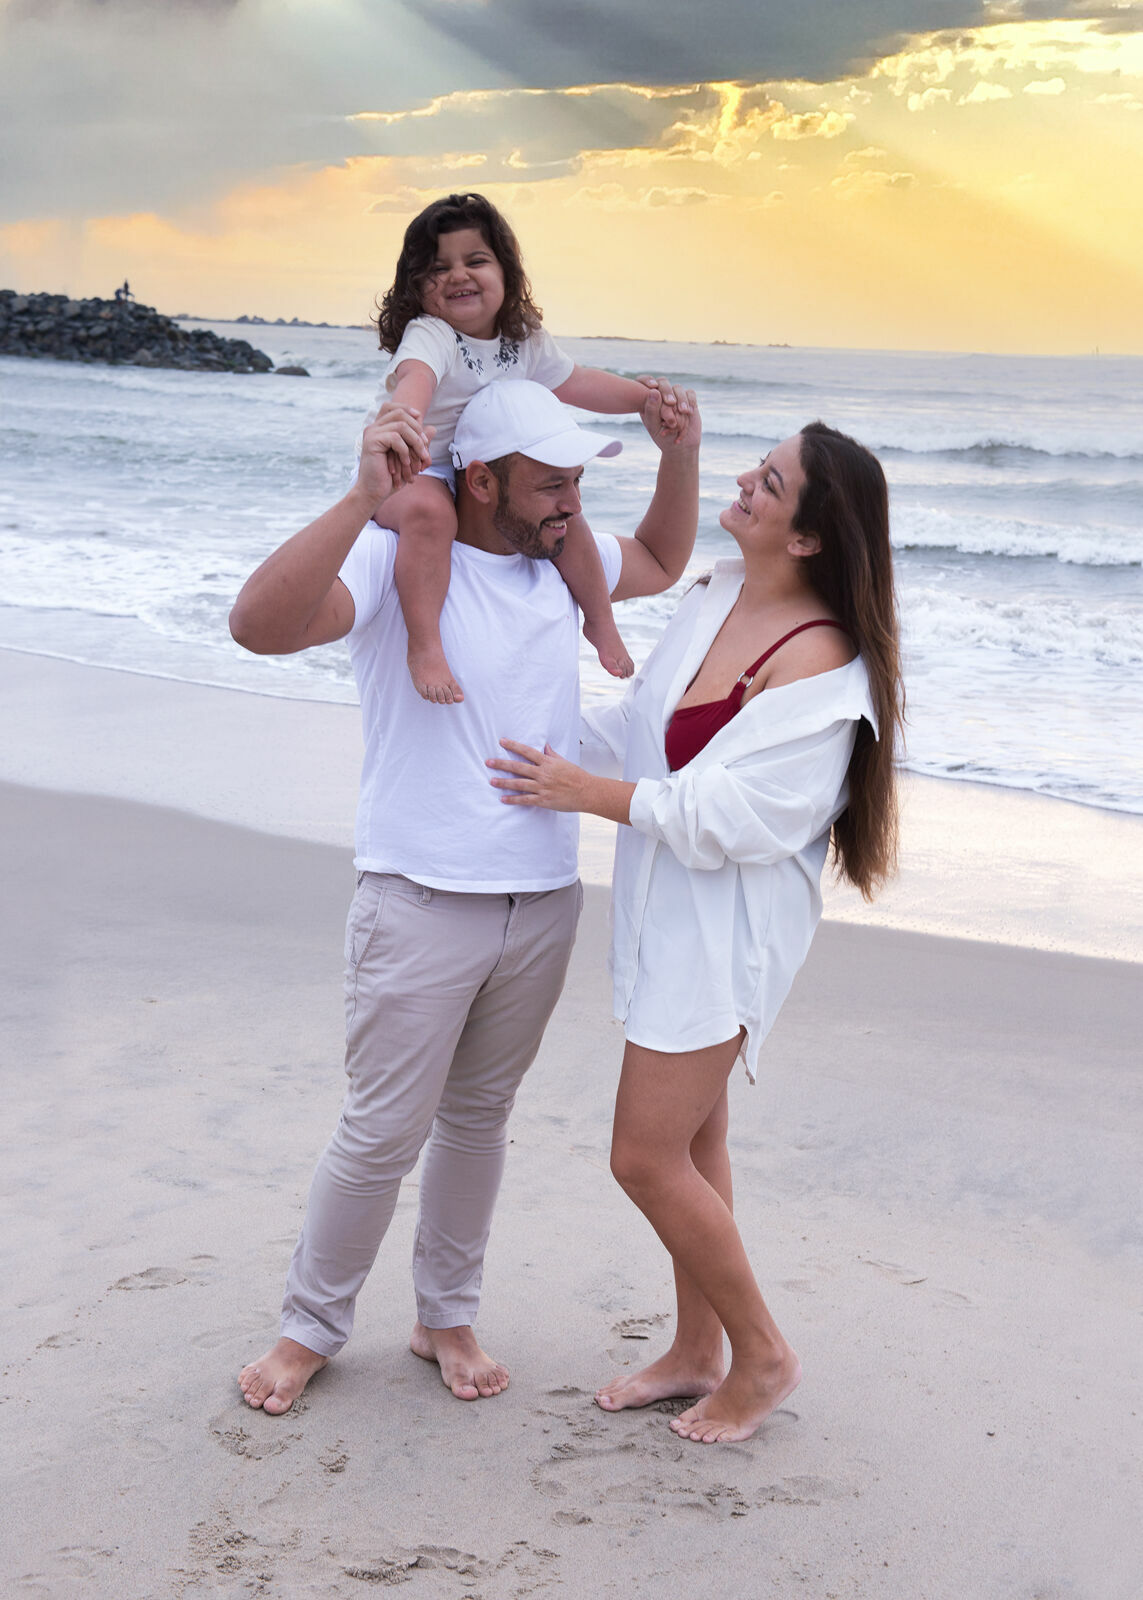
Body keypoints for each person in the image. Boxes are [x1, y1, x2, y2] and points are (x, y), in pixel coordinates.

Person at [229, 375, 699, 1415]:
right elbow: (257, 625)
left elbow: (663, 560)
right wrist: (361, 497)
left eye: (578, 479)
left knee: (480, 1120)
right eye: (549, 482)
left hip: (541, 900)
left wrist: (677, 452)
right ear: (480, 479)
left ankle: (445, 1312)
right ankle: (309, 1326)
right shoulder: (399, 559)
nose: (571, 501)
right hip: (419, 897)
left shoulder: (558, 564)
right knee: (382, 1131)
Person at [487, 421, 905, 1445]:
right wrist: (539, 740)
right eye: (756, 468)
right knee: (696, 1138)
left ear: (809, 536)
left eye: (771, 481)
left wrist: (594, 796)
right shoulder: (718, 591)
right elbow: (645, 727)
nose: (746, 484)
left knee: (642, 1154)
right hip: (662, 909)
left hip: (725, 938)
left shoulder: (823, 667)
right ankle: (695, 1348)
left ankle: (762, 1353)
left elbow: (745, 820)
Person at [372, 191, 688, 703]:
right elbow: (416, 379)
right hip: (413, 468)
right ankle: (425, 644)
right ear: (416, 287)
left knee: (571, 520)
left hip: (479, 473)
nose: (458, 275)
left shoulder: (524, 340)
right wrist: (403, 419)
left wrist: (647, 401)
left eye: (476, 260)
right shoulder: (431, 336)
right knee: (432, 517)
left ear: (507, 272)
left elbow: (579, 382)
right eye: (437, 268)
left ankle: (600, 621)